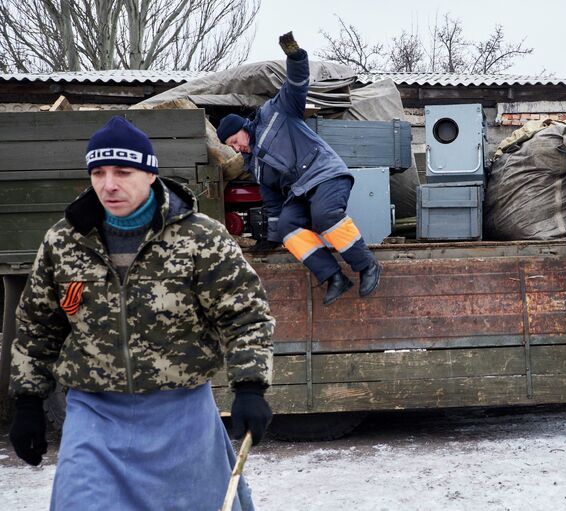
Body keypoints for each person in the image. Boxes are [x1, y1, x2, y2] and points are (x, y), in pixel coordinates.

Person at [9, 116, 275, 511]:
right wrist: (27, 402)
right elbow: (37, 327)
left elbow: (246, 315)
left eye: (122, 171)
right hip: (93, 412)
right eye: (98, 172)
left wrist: (250, 388)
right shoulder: (64, 242)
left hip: (181, 412)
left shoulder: (199, 238)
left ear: (150, 174)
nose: (109, 184)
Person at [216, 31, 382, 306]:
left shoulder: (275, 113)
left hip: (325, 173)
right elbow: (273, 204)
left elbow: (296, 84)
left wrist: (296, 56)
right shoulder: (255, 165)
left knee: (324, 215)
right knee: (287, 226)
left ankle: (367, 265)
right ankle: (334, 277)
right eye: (230, 147)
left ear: (241, 129)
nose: (235, 148)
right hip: (301, 192)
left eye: (234, 142)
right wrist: (269, 239)